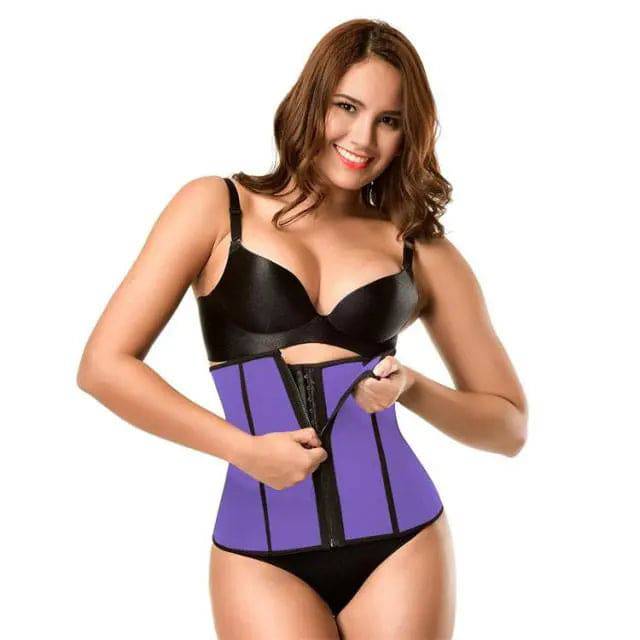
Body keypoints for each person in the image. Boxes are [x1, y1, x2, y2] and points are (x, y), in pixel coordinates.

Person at [77, 18, 527, 640]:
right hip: (259, 549)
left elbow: (509, 427)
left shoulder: (419, 250)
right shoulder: (216, 208)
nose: (362, 138)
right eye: (347, 107)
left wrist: (413, 387)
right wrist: (242, 449)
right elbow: (103, 366)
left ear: (410, 133)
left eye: (389, 120)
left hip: (401, 541)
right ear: (313, 100)